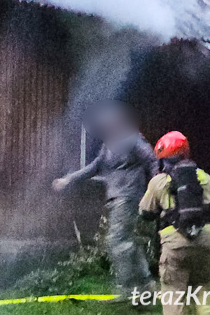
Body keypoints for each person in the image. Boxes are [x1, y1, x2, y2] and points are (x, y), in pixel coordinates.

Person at [52, 100, 158, 296]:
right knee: (127, 240)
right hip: (117, 198)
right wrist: (68, 179)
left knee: (116, 240)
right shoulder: (108, 147)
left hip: (129, 196)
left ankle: (127, 288)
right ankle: (146, 285)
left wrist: (155, 189)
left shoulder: (134, 140)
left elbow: (152, 161)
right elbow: (93, 168)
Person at [139, 131, 210, 315]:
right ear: (185, 154)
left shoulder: (159, 181)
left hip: (174, 245)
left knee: (173, 293)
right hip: (205, 241)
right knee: (203, 292)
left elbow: (144, 213)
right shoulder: (204, 177)